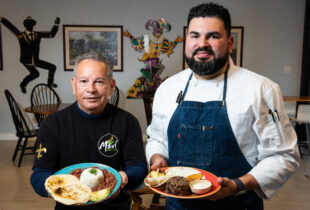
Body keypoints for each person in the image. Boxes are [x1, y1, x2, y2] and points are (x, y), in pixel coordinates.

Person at [145, 2, 300, 210]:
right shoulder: (168, 88)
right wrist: (157, 158)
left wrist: (239, 184)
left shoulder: (261, 89)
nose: (202, 44)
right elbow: (157, 138)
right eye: (195, 35)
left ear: (229, 43)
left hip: (238, 203)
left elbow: (284, 155)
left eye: (213, 36)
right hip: (178, 204)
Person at [30, 52, 148, 210]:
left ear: (111, 86)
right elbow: (39, 174)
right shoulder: (52, 124)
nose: (91, 89)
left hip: (116, 206)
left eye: (99, 82)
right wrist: (57, 187)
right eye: (84, 81)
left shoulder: (127, 122)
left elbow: (139, 169)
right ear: (74, 85)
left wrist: (124, 179)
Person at [0, 16, 60, 93]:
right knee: (35, 74)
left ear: (33, 25)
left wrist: (56, 25)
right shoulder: (21, 35)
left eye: (31, 23)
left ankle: (50, 83)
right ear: (25, 25)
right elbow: (11, 27)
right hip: (26, 60)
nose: (30, 25)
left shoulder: (37, 34)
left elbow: (51, 35)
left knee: (52, 67)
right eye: (28, 23)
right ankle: (23, 84)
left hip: (35, 60)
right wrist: (1, 19)